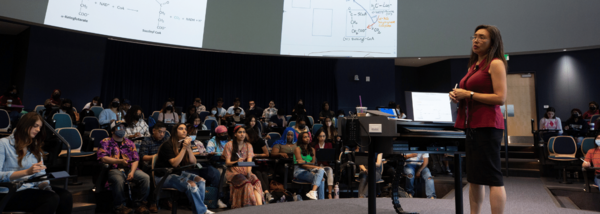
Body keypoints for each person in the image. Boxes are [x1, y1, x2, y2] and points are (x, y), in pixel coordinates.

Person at [449, 25, 507, 214]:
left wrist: (469, 94)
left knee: (492, 178)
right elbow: (469, 93)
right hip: (471, 126)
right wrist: (458, 95)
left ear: (493, 42)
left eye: (482, 37)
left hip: (488, 126)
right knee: (474, 178)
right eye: (474, 37)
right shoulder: (473, 66)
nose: (476, 40)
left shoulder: (496, 63)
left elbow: (500, 98)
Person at [0, 112, 73, 213]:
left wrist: (46, 187)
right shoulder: (4, 144)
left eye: (40, 127)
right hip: (8, 193)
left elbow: (40, 175)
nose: (38, 130)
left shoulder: (34, 147)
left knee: (66, 196)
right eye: (35, 126)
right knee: (50, 199)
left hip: (29, 188)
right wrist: (26, 172)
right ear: (25, 125)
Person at [154, 124, 215, 214]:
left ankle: (200, 209)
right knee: (191, 185)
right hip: (163, 176)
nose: (184, 131)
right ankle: (201, 211)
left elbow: (193, 162)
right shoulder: (167, 145)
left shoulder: (184, 144)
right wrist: (183, 148)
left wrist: (188, 148)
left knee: (201, 180)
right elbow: (175, 164)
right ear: (175, 132)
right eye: (181, 129)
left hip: (177, 173)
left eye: (185, 129)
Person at [97, 121, 150, 214]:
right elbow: (103, 158)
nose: (122, 130)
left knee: (145, 177)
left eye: (123, 128)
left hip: (129, 168)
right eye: (118, 128)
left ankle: (139, 204)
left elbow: (136, 159)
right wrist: (119, 161)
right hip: (114, 169)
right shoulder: (105, 141)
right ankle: (119, 206)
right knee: (118, 180)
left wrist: (132, 172)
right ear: (112, 131)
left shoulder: (129, 142)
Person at [223, 126, 263, 208]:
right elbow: (227, 163)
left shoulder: (248, 145)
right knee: (247, 184)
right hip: (233, 172)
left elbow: (249, 161)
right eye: (240, 132)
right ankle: (249, 207)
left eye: (244, 132)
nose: (242, 134)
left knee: (256, 181)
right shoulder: (229, 145)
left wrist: (248, 173)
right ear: (235, 134)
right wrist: (236, 162)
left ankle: (260, 207)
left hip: (245, 170)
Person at [138, 122, 170, 212]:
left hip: (164, 165)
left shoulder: (166, 140)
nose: (162, 134)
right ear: (154, 131)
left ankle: (166, 199)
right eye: (160, 132)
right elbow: (143, 157)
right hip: (149, 165)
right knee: (152, 175)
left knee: (172, 171)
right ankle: (152, 202)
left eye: (164, 132)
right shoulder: (147, 140)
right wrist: (157, 156)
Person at [293, 132, 325, 200]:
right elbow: (302, 165)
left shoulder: (312, 149)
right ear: (301, 139)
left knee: (321, 172)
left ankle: (313, 192)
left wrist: (305, 162)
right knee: (321, 179)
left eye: (308, 137)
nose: (308, 138)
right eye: (305, 137)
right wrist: (314, 166)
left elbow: (312, 163)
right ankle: (320, 199)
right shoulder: (297, 149)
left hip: (309, 170)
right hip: (299, 171)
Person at [246, 127, 272, 203]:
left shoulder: (260, 141)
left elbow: (266, 154)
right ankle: (267, 194)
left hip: (261, 162)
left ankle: (266, 193)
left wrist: (256, 155)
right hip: (251, 164)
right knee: (257, 173)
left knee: (263, 173)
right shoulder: (246, 143)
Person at [312, 129, 335, 199]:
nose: (322, 138)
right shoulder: (314, 145)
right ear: (317, 137)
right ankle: (315, 193)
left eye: (324, 136)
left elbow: (331, 156)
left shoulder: (329, 144)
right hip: (317, 165)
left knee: (330, 171)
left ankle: (330, 193)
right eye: (320, 136)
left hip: (326, 165)